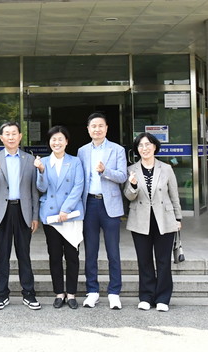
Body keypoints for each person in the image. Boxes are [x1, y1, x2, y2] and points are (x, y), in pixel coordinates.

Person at [0, 122, 40, 311]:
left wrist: (35, 216)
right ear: (1, 138)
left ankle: (29, 294)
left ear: (20, 136)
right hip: (2, 212)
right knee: (3, 255)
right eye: (7, 134)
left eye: (14, 133)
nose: (11, 137)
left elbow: (34, 191)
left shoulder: (29, 159)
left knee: (24, 254)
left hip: (23, 210)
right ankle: (2, 295)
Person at [124, 132, 182, 312]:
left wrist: (178, 218)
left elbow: (174, 195)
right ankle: (146, 296)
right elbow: (129, 196)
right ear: (137, 149)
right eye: (141, 145)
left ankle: (163, 298)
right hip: (140, 220)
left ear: (155, 146)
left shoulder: (166, 168)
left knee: (163, 261)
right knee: (144, 260)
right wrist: (133, 185)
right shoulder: (131, 169)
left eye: (148, 144)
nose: (145, 148)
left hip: (164, 219)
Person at [77, 111, 128, 309]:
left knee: (113, 251)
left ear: (106, 128)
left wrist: (105, 171)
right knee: (90, 251)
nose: (97, 129)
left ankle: (114, 292)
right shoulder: (82, 151)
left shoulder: (117, 150)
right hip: (89, 204)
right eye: (93, 126)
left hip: (110, 205)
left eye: (100, 126)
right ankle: (92, 291)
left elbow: (122, 176)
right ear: (88, 129)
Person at [34, 125, 85, 309]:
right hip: (51, 217)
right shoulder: (42, 162)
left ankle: (71, 293)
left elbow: (78, 186)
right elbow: (41, 188)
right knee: (54, 256)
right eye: (53, 139)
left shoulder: (75, 161)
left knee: (72, 256)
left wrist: (65, 209)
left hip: (71, 215)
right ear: (49, 142)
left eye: (60, 139)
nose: (57, 143)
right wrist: (41, 171)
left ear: (67, 142)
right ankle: (59, 293)